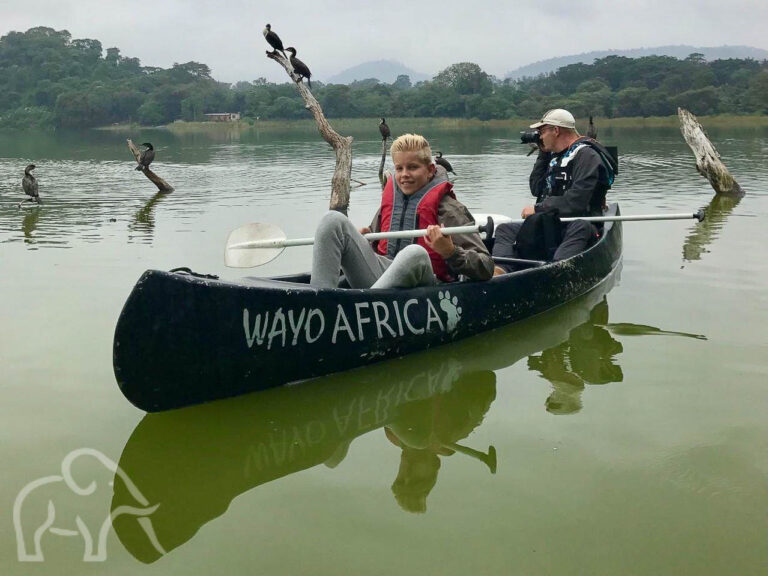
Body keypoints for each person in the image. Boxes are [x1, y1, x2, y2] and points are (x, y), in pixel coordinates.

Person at [310, 133, 494, 289]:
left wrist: (450, 252)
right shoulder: (391, 202)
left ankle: (370, 305)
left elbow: (486, 267)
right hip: (382, 278)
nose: (404, 174)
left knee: (414, 252)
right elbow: (377, 245)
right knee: (332, 220)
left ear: (430, 170)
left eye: (413, 167)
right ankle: (319, 302)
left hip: (427, 286)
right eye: (399, 168)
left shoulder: (450, 210)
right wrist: (365, 240)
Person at [492, 108, 617, 273]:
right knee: (505, 229)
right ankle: (501, 271)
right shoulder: (554, 156)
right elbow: (536, 188)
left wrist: (538, 209)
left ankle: (555, 272)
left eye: (542, 131)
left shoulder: (587, 156)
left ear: (556, 130)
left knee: (581, 226)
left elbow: (576, 201)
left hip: (576, 223)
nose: (540, 136)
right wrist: (543, 154)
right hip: (551, 224)